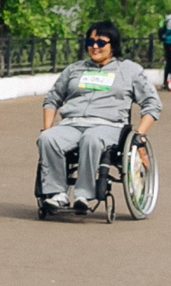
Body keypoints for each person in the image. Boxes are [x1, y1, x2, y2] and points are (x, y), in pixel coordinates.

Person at [37, 22, 159, 213]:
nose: (94, 46)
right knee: (48, 138)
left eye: (101, 42)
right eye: (90, 41)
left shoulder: (130, 70)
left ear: (113, 45)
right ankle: (56, 194)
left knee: (92, 137)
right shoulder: (75, 69)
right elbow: (52, 99)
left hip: (109, 126)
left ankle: (83, 194)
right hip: (72, 123)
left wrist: (140, 134)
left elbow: (152, 104)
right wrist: (47, 127)